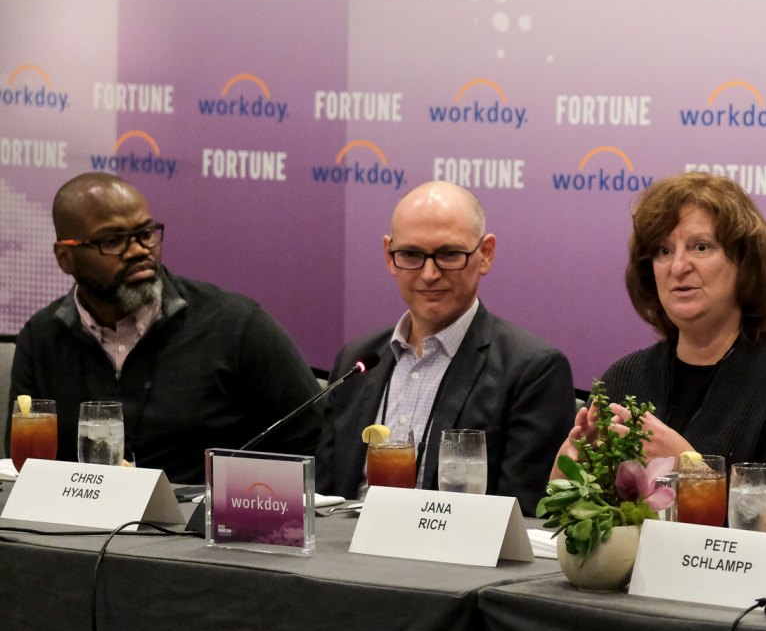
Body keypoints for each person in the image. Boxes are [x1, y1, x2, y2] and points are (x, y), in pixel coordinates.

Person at [558, 172, 766, 536]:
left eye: (700, 247)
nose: (678, 267)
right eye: (664, 251)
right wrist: (569, 475)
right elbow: (588, 523)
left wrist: (691, 469)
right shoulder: (625, 377)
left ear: (743, 263)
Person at [6, 173, 321, 483]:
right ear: (66, 258)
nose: (138, 250)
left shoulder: (237, 326)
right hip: (78, 515)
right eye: (112, 241)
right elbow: (26, 465)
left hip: (202, 516)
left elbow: (315, 447)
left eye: (145, 234)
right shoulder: (42, 336)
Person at [316, 181, 573, 513]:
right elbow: (323, 500)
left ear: (485, 253)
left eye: (449, 254)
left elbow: (524, 517)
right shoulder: (357, 360)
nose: (429, 273)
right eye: (411, 254)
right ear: (389, 256)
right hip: (345, 544)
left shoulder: (532, 370)